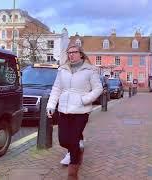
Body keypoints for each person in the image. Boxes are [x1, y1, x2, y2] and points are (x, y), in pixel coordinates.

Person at [46, 44, 103, 179]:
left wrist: (85, 99)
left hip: (81, 112)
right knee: (63, 140)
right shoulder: (62, 70)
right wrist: (51, 105)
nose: (71, 55)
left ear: (81, 54)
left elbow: (98, 89)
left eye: (74, 52)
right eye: (69, 52)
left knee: (73, 140)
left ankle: (73, 173)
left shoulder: (90, 70)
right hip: (64, 110)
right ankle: (78, 149)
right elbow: (56, 89)